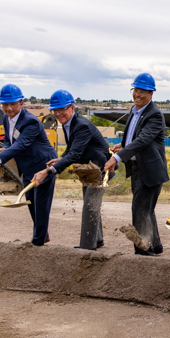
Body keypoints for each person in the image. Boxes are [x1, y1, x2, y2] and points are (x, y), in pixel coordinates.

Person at [0, 84, 57, 246]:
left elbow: (21, 145)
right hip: (27, 167)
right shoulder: (6, 119)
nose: (9, 108)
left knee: (41, 205)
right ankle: (44, 235)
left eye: (12, 104)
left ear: (21, 104)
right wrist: (4, 149)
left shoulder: (31, 122)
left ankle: (37, 242)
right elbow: (9, 141)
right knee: (31, 203)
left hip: (44, 166)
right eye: (5, 104)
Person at [32, 90, 111, 250]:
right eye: (56, 110)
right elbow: (71, 148)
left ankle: (88, 246)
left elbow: (75, 153)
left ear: (72, 108)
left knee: (90, 205)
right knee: (91, 204)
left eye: (62, 109)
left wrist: (49, 171)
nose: (59, 113)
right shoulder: (70, 124)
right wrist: (61, 158)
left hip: (100, 170)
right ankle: (97, 240)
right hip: (88, 169)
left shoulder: (82, 125)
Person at [104, 73, 169, 256]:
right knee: (146, 209)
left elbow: (143, 140)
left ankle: (143, 251)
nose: (138, 95)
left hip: (150, 170)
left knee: (140, 209)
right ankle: (155, 246)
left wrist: (117, 158)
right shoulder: (134, 110)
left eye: (143, 92)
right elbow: (135, 137)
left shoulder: (154, 114)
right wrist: (123, 145)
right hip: (138, 168)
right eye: (136, 90)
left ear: (151, 94)